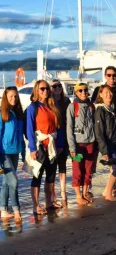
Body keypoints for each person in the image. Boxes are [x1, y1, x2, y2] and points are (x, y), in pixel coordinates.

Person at [26, 80, 63, 215]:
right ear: (37, 90)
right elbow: (29, 129)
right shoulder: (33, 108)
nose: (45, 91)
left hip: (52, 145)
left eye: (47, 88)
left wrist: (60, 144)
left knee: (51, 175)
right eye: (42, 89)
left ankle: (49, 202)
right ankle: (36, 205)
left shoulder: (53, 106)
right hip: (40, 145)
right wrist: (32, 149)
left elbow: (58, 127)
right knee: (37, 176)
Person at [66, 82, 95, 205]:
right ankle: (78, 196)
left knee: (88, 170)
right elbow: (69, 127)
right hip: (78, 143)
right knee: (77, 170)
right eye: (80, 90)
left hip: (90, 142)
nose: (83, 92)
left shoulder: (91, 106)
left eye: (85, 90)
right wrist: (72, 147)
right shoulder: (72, 106)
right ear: (76, 92)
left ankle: (85, 194)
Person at [0, 86, 25, 222]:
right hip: (4, 153)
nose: (13, 99)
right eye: (10, 96)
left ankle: (3, 210)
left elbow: (20, 136)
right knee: (14, 181)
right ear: (6, 97)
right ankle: (16, 210)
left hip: (16, 152)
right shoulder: (2, 113)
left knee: (6, 182)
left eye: (15, 96)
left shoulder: (18, 114)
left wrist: (24, 152)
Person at [94, 85, 116, 201]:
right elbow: (99, 132)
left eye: (110, 92)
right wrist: (104, 150)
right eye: (105, 92)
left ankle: (107, 190)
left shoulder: (111, 109)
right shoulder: (100, 110)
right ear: (100, 94)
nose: (108, 94)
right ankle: (108, 194)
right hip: (109, 145)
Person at [50, 79, 71, 208]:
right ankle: (53, 195)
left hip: (64, 135)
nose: (57, 88)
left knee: (62, 166)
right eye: (54, 86)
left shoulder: (66, 101)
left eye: (59, 86)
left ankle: (63, 192)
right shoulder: (49, 102)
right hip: (53, 137)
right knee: (52, 168)